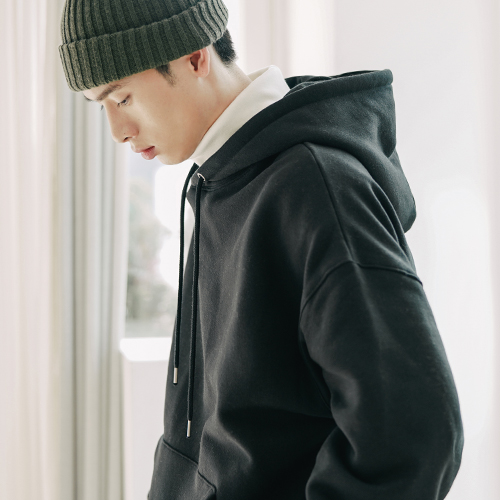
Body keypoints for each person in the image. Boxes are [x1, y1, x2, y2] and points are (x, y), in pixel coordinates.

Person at [58, 0, 464, 499]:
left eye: (122, 98)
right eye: (100, 106)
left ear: (194, 56)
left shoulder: (315, 187)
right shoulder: (221, 175)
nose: (118, 131)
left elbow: (414, 433)